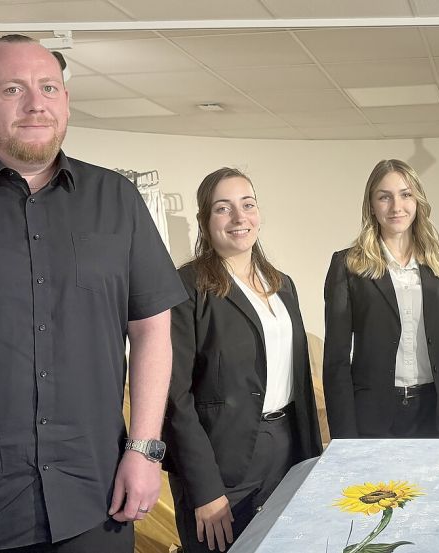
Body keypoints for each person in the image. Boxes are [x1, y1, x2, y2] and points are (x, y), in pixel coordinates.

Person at [0, 34, 187, 552]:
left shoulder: (116, 200)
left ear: (66, 100)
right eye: (13, 88)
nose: (36, 103)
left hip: (93, 502)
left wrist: (145, 449)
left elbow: (151, 330)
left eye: (49, 87)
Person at [163, 167, 323, 552]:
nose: (239, 218)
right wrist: (205, 489)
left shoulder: (282, 284)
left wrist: (312, 462)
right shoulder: (187, 286)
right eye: (223, 208)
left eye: (247, 205)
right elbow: (174, 398)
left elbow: (298, 380)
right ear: (205, 221)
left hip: (287, 448)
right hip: (222, 462)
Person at [322, 159, 439, 445]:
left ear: (417, 201)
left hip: (438, 414)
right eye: (385, 197)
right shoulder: (347, 265)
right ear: (371, 205)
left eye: (406, 195)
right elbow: (336, 361)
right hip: (374, 416)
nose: (396, 206)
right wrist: (344, 440)